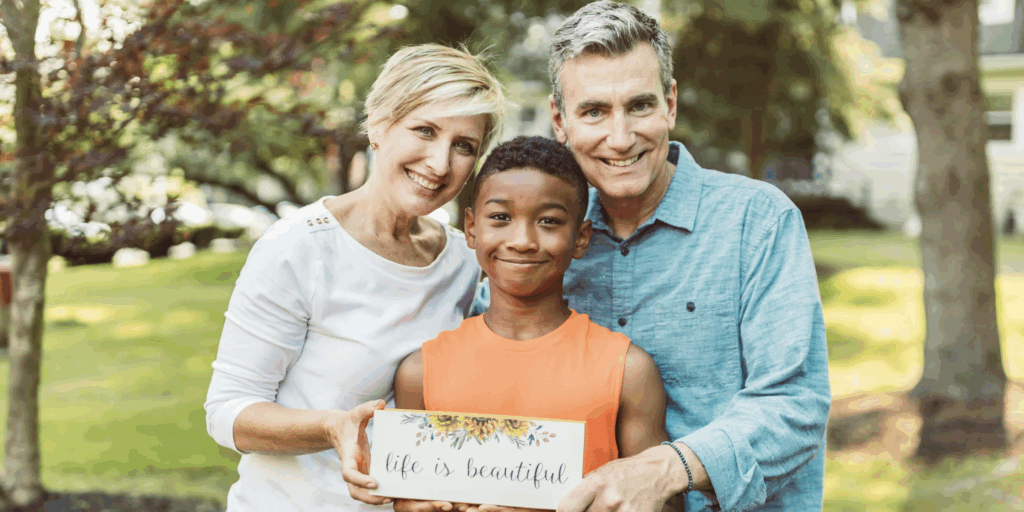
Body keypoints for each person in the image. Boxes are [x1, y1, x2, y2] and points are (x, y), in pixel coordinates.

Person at [478, 2, 831, 511]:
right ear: (559, 119)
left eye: (639, 106)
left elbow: (795, 405)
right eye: (594, 111)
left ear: (669, 103)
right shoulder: (537, 240)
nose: (620, 138)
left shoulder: (758, 220)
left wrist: (664, 470)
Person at [203, 43, 506, 511]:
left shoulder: (462, 262)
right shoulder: (299, 248)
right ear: (379, 125)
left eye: (463, 146)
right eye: (425, 130)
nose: (441, 163)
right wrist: (331, 427)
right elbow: (228, 413)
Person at [392, 135, 678, 512]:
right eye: (500, 218)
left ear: (581, 238)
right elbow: (408, 496)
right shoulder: (420, 371)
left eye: (548, 221)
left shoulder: (628, 371)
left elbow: (663, 504)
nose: (523, 240)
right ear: (473, 229)